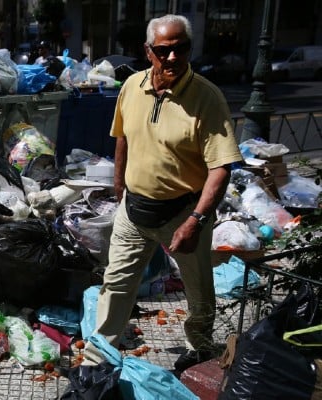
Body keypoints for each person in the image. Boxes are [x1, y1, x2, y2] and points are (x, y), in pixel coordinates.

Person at [80, 14, 243, 373]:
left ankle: (198, 346)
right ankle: (98, 359)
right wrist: (120, 186)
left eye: (180, 49)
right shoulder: (132, 87)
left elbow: (221, 167)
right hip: (134, 210)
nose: (172, 58)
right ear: (148, 51)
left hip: (183, 213)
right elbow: (122, 135)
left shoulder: (206, 98)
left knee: (198, 290)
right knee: (115, 285)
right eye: (163, 50)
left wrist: (197, 221)